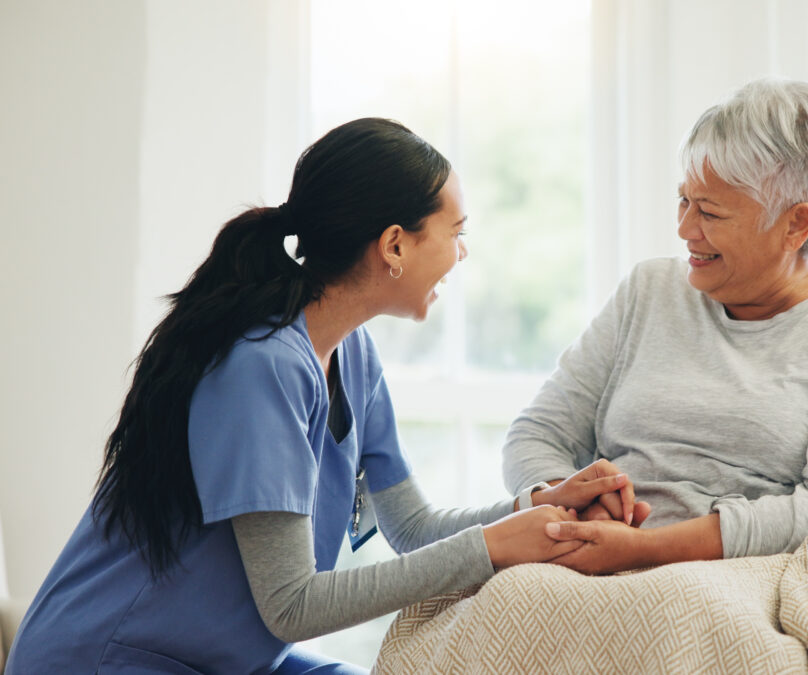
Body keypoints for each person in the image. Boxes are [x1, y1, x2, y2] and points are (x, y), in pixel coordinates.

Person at [5, 118, 640, 674]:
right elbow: (291, 605)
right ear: (394, 244)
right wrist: (496, 547)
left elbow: (412, 527)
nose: (462, 252)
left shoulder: (353, 354)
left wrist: (540, 505)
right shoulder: (262, 366)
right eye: (455, 232)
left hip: (226, 661)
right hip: (111, 657)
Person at [503, 78, 808, 573]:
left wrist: (644, 550)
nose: (685, 229)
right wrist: (567, 502)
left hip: (750, 578)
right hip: (590, 558)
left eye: (709, 212)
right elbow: (537, 434)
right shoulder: (649, 290)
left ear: (795, 224)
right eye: (683, 201)